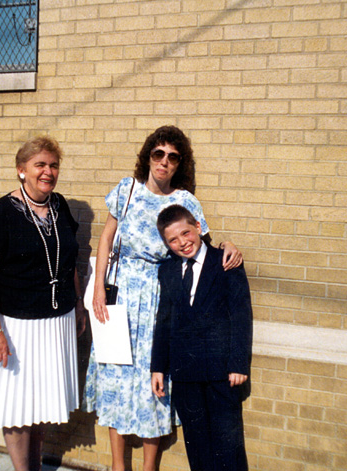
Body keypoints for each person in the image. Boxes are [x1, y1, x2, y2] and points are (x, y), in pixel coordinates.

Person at [83, 125, 243, 471]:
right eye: (158, 154)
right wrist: (99, 288)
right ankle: (117, 466)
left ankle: (148, 467)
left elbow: (204, 248)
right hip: (118, 294)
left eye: (172, 157)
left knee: (153, 379)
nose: (164, 162)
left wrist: (228, 246)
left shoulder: (184, 201)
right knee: (117, 375)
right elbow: (107, 239)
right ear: (148, 156)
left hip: (158, 299)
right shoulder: (126, 190)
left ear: (178, 164)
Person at [0, 136, 87, 471]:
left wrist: (77, 304)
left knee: (41, 404)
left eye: (53, 165)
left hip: (55, 323)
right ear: (22, 171)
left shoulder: (59, 205)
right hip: (15, 326)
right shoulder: (3, 212)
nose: (48, 172)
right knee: (19, 409)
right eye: (40, 165)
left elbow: (68, 262)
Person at [151, 204, 252, 471]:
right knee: (197, 448)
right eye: (172, 240)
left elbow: (241, 316)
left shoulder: (225, 261)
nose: (182, 243)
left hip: (221, 373)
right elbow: (164, 321)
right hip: (185, 373)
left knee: (228, 447)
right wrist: (158, 367)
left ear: (197, 227)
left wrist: (238, 364)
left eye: (186, 233)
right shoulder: (168, 271)